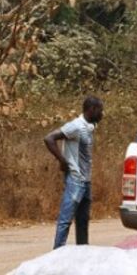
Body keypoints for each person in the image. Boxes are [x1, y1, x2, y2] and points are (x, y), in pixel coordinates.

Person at [44, 96, 104, 248]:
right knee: (65, 220)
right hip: (75, 180)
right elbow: (49, 138)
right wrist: (62, 161)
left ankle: (82, 253)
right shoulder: (76, 126)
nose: (102, 114)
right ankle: (57, 253)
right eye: (100, 110)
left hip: (86, 181)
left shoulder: (89, 128)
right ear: (92, 109)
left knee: (83, 221)